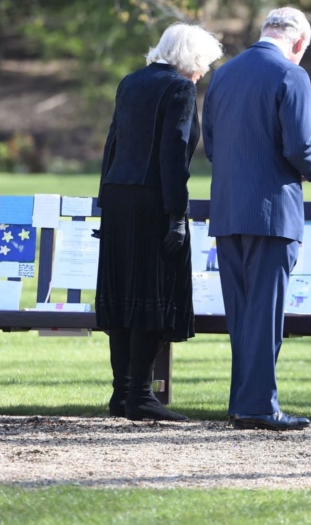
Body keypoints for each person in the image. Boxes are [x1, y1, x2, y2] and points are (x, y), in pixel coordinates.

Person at [202, 7, 311, 431]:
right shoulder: (293, 75)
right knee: (266, 313)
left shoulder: (223, 74)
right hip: (273, 212)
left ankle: (244, 403)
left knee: (242, 313)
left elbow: (211, 145)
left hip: (229, 209)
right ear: (299, 42)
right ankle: (258, 407)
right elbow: (297, 144)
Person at [96, 22, 223, 422]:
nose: (203, 72)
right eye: (203, 62)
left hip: (118, 194)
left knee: (123, 296)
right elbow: (173, 156)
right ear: (189, 57)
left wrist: (104, 200)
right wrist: (176, 215)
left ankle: (121, 394)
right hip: (153, 200)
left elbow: (112, 144)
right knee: (152, 293)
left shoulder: (130, 82)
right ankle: (141, 395)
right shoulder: (179, 89)